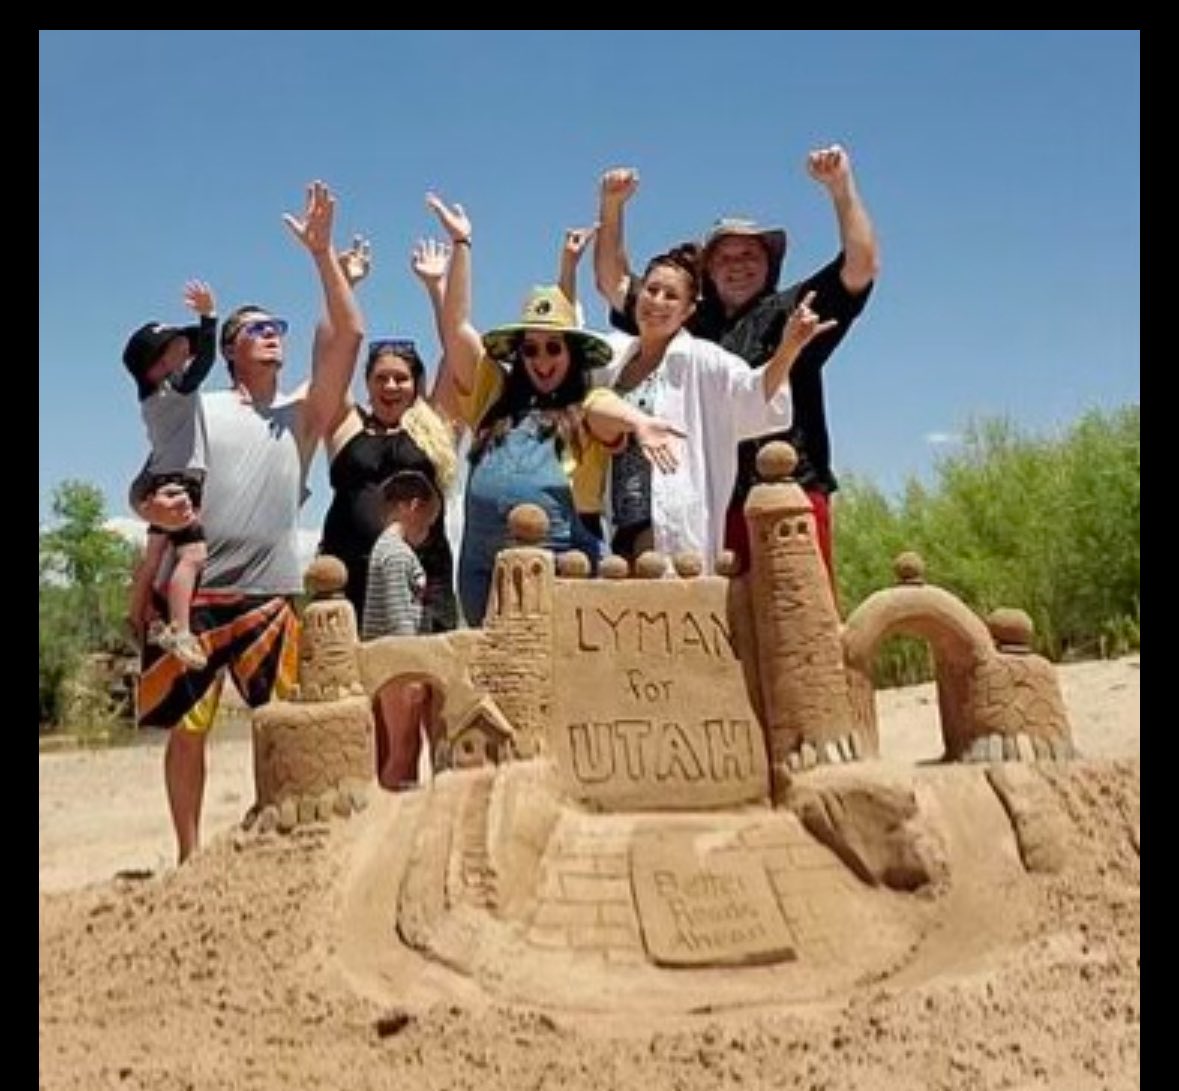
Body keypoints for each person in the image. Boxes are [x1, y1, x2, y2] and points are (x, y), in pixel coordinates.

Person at [132, 180, 364, 865]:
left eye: (278, 330)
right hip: (194, 597)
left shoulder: (301, 417)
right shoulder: (199, 407)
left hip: (270, 598)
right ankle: (191, 856)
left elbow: (347, 335)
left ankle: (279, 842)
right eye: (259, 330)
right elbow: (147, 480)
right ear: (230, 349)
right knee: (189, 730)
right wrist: (150, 506)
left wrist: (323, 257)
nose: (273, 338)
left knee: (282, 725)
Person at [593, 144, 879, 576]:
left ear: (769, 262)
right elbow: (614, 284)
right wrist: (612, 208)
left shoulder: (793, 308)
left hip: (789, 492)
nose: (737, 265)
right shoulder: (689, 324)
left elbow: (860, 266)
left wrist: (840, 187)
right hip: (711, 503)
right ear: (708, 273)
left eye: (749, 254)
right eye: (724, 257)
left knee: (792, 623)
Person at [586, 245, 835, 567]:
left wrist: (788, 349)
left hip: (669, 521)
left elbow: (754, 394)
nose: (657, 301)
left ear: (689, 310)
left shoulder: (702, 359)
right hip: (616, 522)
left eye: (671, 296)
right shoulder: (614, 358)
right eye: (652, 289)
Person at [430, 194, 616, 624]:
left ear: (571, 353)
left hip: (562, 566)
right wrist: (462, 245)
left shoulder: (587, 404)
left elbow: (613, 416)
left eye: (554, 347)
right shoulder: (491, 392)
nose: (542, 358)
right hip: (480, 570)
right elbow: (456, 327)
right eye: (531, 348)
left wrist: (643, 424)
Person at [319, 235, 459, 632]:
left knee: (424, 680)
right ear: (366, 383)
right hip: (348, 574)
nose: (391, 386)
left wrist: (438, 288)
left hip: (422, 576)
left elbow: (456, 352)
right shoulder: (345, 423)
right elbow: (330, 355)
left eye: (401, 378)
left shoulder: (435, 425)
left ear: (416, 383)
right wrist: (345, 284)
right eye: (381, 378)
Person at [122, 280, 218, 670]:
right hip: (180, 482)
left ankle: (136, 613)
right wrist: (209, 318)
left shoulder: (151, 398)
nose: (185, 348)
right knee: (192, 555)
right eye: (176, 347)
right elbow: (205, 363)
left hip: (162, 477)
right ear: (158, 366)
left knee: (155, 553)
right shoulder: (175, 389)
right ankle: (181, 628)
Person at [360, 469, 444, 790]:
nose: (428, 528)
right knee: (403, 748)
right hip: (397, 669)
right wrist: (410, 672)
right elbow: (399, 621)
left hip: (393, 666)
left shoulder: (386, 550)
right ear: (413, 506)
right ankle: (392, 818)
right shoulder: (396, 554)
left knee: (407, 748)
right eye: (428, 519)